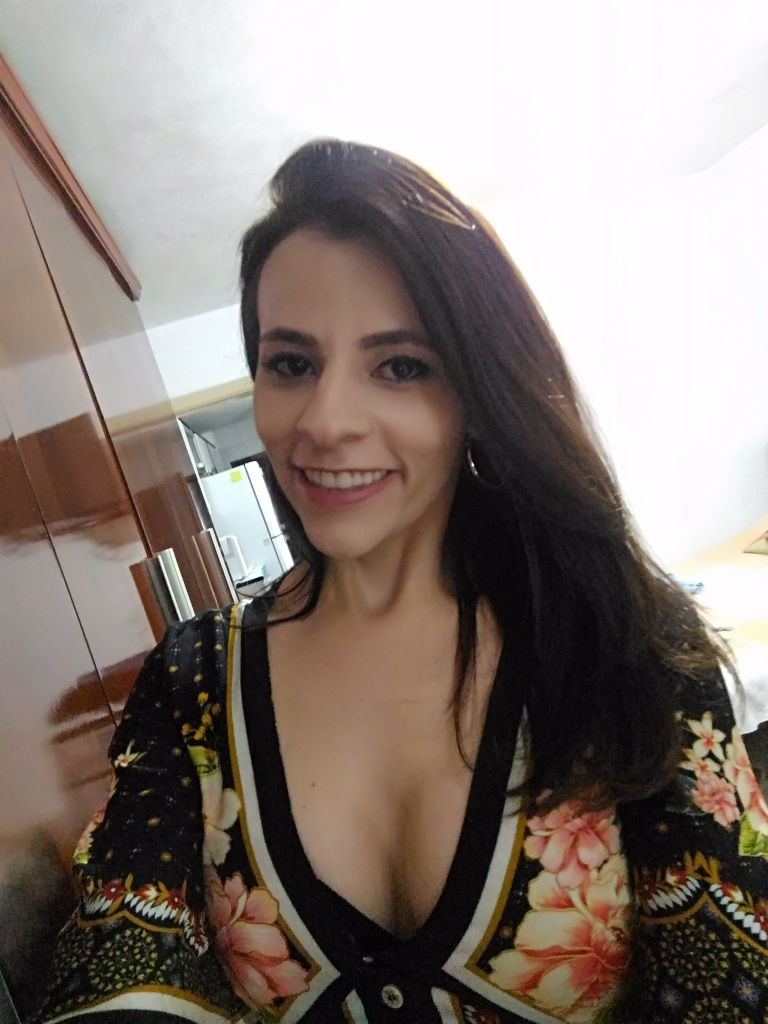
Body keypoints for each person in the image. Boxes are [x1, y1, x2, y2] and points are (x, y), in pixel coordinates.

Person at [35, 140, 768, 1024]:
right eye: (291, 363)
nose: (325, 421)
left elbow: (730, 977)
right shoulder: (193, 678)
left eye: (401, 366)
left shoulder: (624, 638)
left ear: (478, 397)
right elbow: (120, 946)